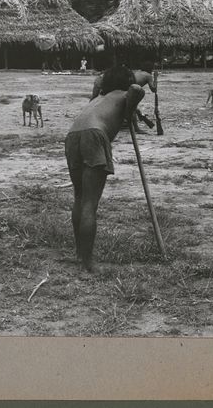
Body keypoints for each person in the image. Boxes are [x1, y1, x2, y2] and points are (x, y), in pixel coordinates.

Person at [64, 64, 145, 272]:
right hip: (94, 134)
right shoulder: (124, 93)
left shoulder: (98, 99)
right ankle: (88, 263)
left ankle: (80, 253)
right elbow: (137, 90)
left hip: (73, 135)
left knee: (80, 198)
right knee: (90, 203)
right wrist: (130, 104)